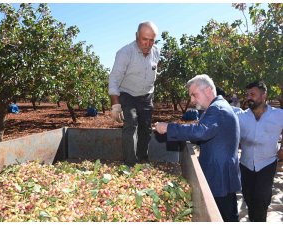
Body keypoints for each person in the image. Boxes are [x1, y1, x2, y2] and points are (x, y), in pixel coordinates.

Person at [155, 74, 241, 222]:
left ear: (208, 90)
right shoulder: (217, 107)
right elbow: (207, 134)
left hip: (219, 176)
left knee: (225, 216)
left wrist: (169, 128)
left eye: (194, 95)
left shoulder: (217, 109)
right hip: (220, 173)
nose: (192, 101)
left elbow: (201, 131)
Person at [108, 21, 160, 166]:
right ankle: (130, 164)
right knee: (130, 123)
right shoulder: (125, 53)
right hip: (128, 94)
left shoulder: (156, 51)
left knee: (146, 128)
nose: (148, 44)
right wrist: (115, 104)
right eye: (144, 39)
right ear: (137, 36)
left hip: (146, 96)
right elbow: (114, 78)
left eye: (152, 40)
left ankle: (143, 159)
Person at [235, 81, 283, 222]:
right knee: (249, 197)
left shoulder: (279, 115)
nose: (249, 97)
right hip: (245, 164)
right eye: (247, 94)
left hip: (267, 163)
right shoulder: (241, 117)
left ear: (263, 96)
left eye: (253, 94)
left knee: (261, 199)